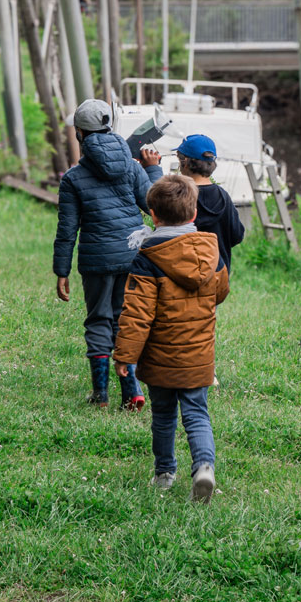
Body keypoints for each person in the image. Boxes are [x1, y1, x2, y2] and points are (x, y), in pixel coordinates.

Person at [114, 174, 229, 503]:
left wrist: (125, 356)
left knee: (163, 415)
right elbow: (220, 292)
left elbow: (137, 314)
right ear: (194, 214)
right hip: (198, 354)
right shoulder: (212, 251)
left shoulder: (148, 258)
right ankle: (204, 467)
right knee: (197, 413)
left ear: (152, 215)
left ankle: (165, 473)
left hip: (160, 356)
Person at [54, 98, 163, 410]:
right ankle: (132, 391)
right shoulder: (131, 166)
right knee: (126, 320)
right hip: (133, 257)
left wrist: (61, 270)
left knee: (100, 320)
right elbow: (154, 207)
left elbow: (67, 229)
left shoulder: (73, 178)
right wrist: (153, 170)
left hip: (97, 262)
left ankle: (100, 395)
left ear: (79, 134)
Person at [175, 134, 245, 275]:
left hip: (185, 276)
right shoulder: (224, 197)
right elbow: (237, 235)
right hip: (217, 278)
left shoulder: (180, 196)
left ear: (185, 162)